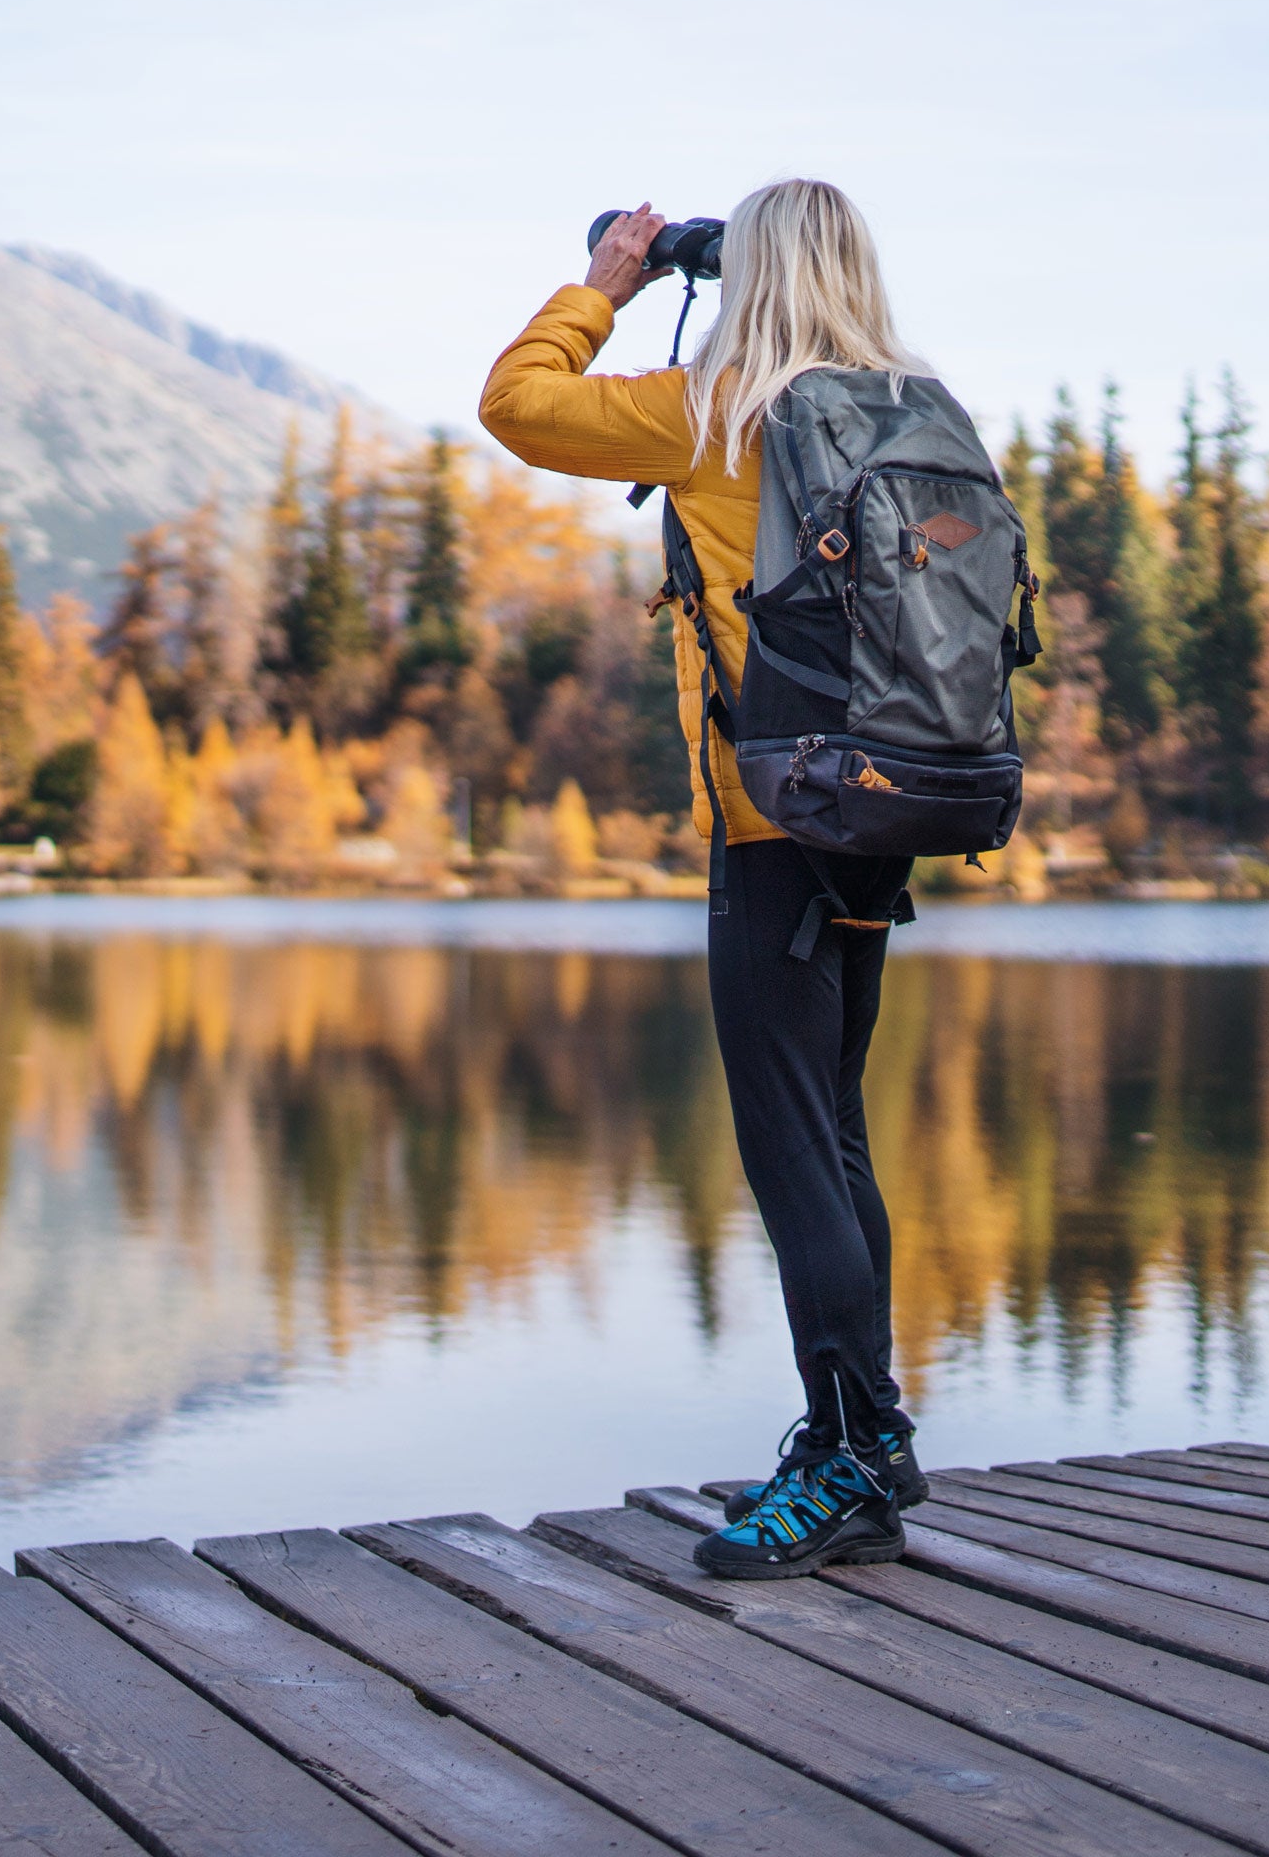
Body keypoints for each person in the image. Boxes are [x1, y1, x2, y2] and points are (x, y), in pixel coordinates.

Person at [478, 179, 929, 1582]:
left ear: (751, 275)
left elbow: (516, 402)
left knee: (795, 1144)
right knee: (834, 1127)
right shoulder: (912, 408)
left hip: (770, 818)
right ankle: (871, 1440)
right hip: (886, 807)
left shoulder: (714, 406)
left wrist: (610, 280)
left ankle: (849, 1457)